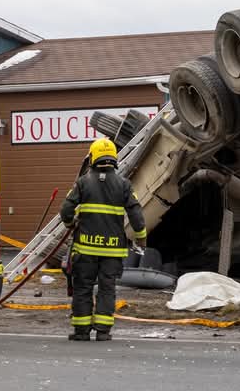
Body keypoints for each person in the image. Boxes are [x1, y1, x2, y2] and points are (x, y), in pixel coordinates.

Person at [59, 138, 147, 341]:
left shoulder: (83, 183)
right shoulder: (124, 184)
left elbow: (65, 210)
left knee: (82, 288)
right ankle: (103, 331)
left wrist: (70, 223)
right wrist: (141, 239)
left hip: (86, 250)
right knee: (107, 289)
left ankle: (81, 331)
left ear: (93, 157)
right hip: (113, 252)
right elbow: (136, 215)